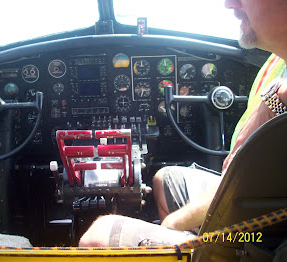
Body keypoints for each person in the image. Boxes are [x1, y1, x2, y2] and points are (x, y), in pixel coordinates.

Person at [79, 0, 287, 247]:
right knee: (165, 179)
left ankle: (205, 249)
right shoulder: (278, 62)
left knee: (99, 234)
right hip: (251, 190)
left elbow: (242, 186)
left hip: (259, 233)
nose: (230, 3)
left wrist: (172, 225)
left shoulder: (279, 94)